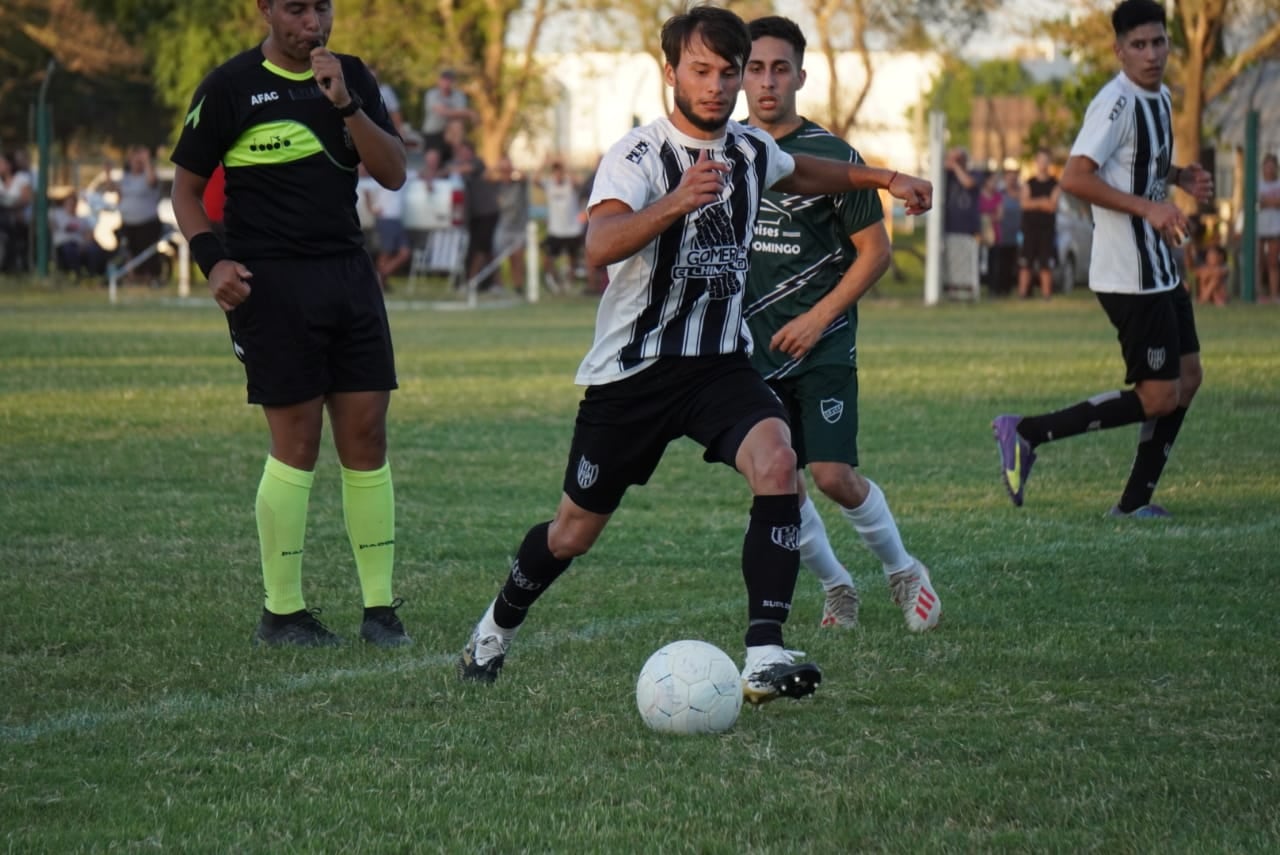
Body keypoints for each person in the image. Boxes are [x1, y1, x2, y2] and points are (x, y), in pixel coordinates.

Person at [455, 5, 932, 703]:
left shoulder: (747, 149)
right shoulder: (639, 155)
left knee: (777, 461)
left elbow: (802, 172)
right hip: (634, 373)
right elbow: (600, 244)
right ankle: (495, 626)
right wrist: (677, 202)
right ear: (670, 71)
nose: (715, 85)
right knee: (572, 532)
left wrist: (884, 179)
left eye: (726, 72)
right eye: (700, 70)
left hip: (717, 364)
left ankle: (764, 651)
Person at [169, 0, 411, 648]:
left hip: (349, 276)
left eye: (322, 8)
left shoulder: (352, 75)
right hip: (271, 284)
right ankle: (282, 612)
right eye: (298, 10)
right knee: (297, 441)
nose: (314, 23)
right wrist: (212, 260)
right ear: (266, 11)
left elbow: (392, 173)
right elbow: (185, 190)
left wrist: (346, 105)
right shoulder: (228, 86)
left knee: (366, 433)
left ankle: (380, 610)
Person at [741, 15, 940, 633]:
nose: (767, 81)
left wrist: (817, 317)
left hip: (823, 344)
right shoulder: (729, 151)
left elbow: (874, 252)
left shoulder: (834, 156)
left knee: (831, 475)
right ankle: (837, 587)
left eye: (779, 68)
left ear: (802, 74)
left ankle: (905, 571)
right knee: (779, 483)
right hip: (748, 352)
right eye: (754, 68)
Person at [992, 0, 1214, 519]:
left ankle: (1136, 503)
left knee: (1190, 375)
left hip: (1159, 267)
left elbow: (1136, 165)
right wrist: (1151, 208)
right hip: (1127, 273)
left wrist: (1177, 177)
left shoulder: (1157, 96)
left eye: (1158, 41)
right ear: (1119, 51)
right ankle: (1028, 431)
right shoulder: (1114, 103)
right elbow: (1076, 176)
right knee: (1159, 396)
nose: (1151, 53)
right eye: (1139, 45)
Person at [103, 146, 165, 284]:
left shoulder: (148, 175)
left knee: (147, 254)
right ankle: (132, 277)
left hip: (147, 223)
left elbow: (151, 181)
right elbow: (111, 189)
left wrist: (147, 161)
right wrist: (108, 173)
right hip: (128, 223)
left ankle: (150, 278)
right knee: (129, 252)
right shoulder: (126, 178)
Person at [538, 157, 585, 294]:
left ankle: (569, 285)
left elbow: (579, 181)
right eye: (556, 172)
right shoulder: (549, 184)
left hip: (572, 229)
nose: (558, 175)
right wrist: (543, 164)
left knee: (572, 260)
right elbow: (535, 180)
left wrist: (567, 166)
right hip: (555, 230)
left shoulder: (570, 183)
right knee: (548, 258)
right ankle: (554, 283)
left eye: (560, 172)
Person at [1018, 148, 1060, 300]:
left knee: (1045, 264)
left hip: (1047, 230)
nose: (1043, 164)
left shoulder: (1055, 184)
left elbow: (1052, 206)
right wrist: (1042, 201)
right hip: (1030, 229)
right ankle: (1022, 293)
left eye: (1045, 160)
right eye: (1040, 160)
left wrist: (1034, 202)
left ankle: (1046, 294)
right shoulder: (1029, 183)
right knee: (1025, 263)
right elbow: (1024, 204)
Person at [942, 147, 980, 297]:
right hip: (949, 226)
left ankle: (968, 289)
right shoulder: (947, 176)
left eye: (959, 159)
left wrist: (956, 166)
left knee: (968, 260)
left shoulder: (975, 173)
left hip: (968, 228)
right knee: (950, 260)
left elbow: (968, 183)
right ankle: (950, 288)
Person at [492, 155, 530, 290]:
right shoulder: (497, 185)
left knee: (517, 258)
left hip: (518, 227)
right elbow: (485, 176)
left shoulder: (519, 183)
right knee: (496, 257)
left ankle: (518, 285)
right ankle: (498, 285)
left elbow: (525, 177)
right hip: (504, 226)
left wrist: (512, 168)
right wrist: (497, 168)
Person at [50, 192, 108, 278]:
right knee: (70, 250)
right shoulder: (56, 214)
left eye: (74, 203)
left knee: (94, 250)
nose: (72, 206)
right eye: (69, 203)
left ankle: (92, 276)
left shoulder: (81, 220)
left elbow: (89, 234)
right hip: (64, 245)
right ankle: (76, 275)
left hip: (80, 245)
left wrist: (84, 244)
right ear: (64, 204)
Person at [420, 69, 475, 160]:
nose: (446, 83)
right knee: (432, 158)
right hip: (433, 133)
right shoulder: (432, 94)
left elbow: (459, 114)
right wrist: (469, 112)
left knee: (457, 125)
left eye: (449, 80)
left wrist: (463, 113)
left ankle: (457, 156)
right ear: (439, 81)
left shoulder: (458, 95)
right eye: (444, 80)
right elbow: (443, 112)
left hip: (449, 133)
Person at [1258, 152, 1280, 303]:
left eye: (1272, 166)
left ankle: (1274, 294)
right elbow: (1257, 202)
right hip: (1259, 227)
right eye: (1267, 166)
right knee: (1260, 262)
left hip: (1275, 227)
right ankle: (1259, 293)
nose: (1269, 169)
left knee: (1273, 261)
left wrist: (1267, 201)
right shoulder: (1257, 184)